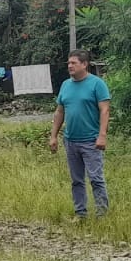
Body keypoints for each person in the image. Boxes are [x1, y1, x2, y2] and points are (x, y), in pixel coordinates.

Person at [48, 49, 111, 220]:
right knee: (76, 180)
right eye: (68, 63)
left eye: (73, 63)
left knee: (96, 178)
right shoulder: (66, 85)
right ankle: (80, 213)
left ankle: (102, 214)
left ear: (84, 64)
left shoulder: (97, 84)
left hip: (91, 140)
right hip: (71, 140)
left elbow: (104, 110)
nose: (70, 66)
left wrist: (102, 135)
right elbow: (60, 111)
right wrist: (53, 136)